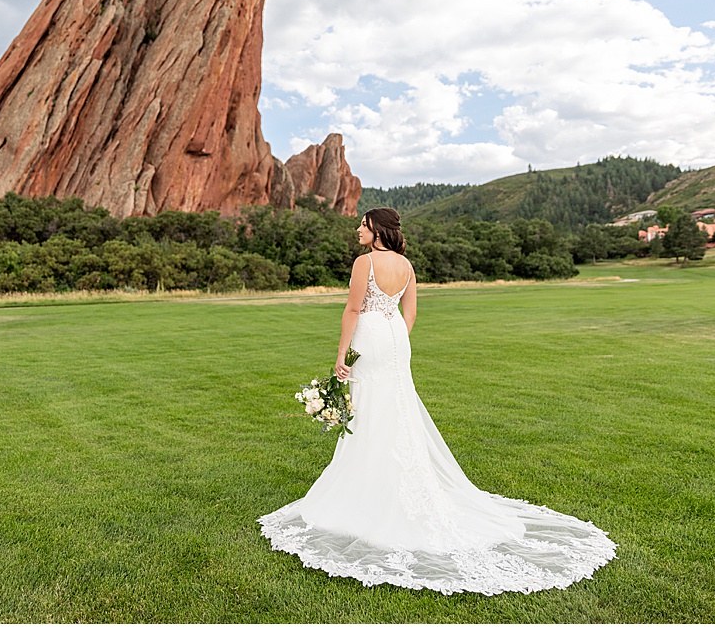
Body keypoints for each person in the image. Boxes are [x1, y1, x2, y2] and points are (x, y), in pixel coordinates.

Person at [258, 207, 616, 595]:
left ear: (376, 230)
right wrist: (394, 338)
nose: (358, 228)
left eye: (363, 224)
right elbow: (410, 313)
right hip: (396, 337)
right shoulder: (407, 265)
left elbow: (353, 309)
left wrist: (342, 354)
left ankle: (371, 489)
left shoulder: (366, 262)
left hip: (371, 335)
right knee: (395, 407)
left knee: (370, 410)